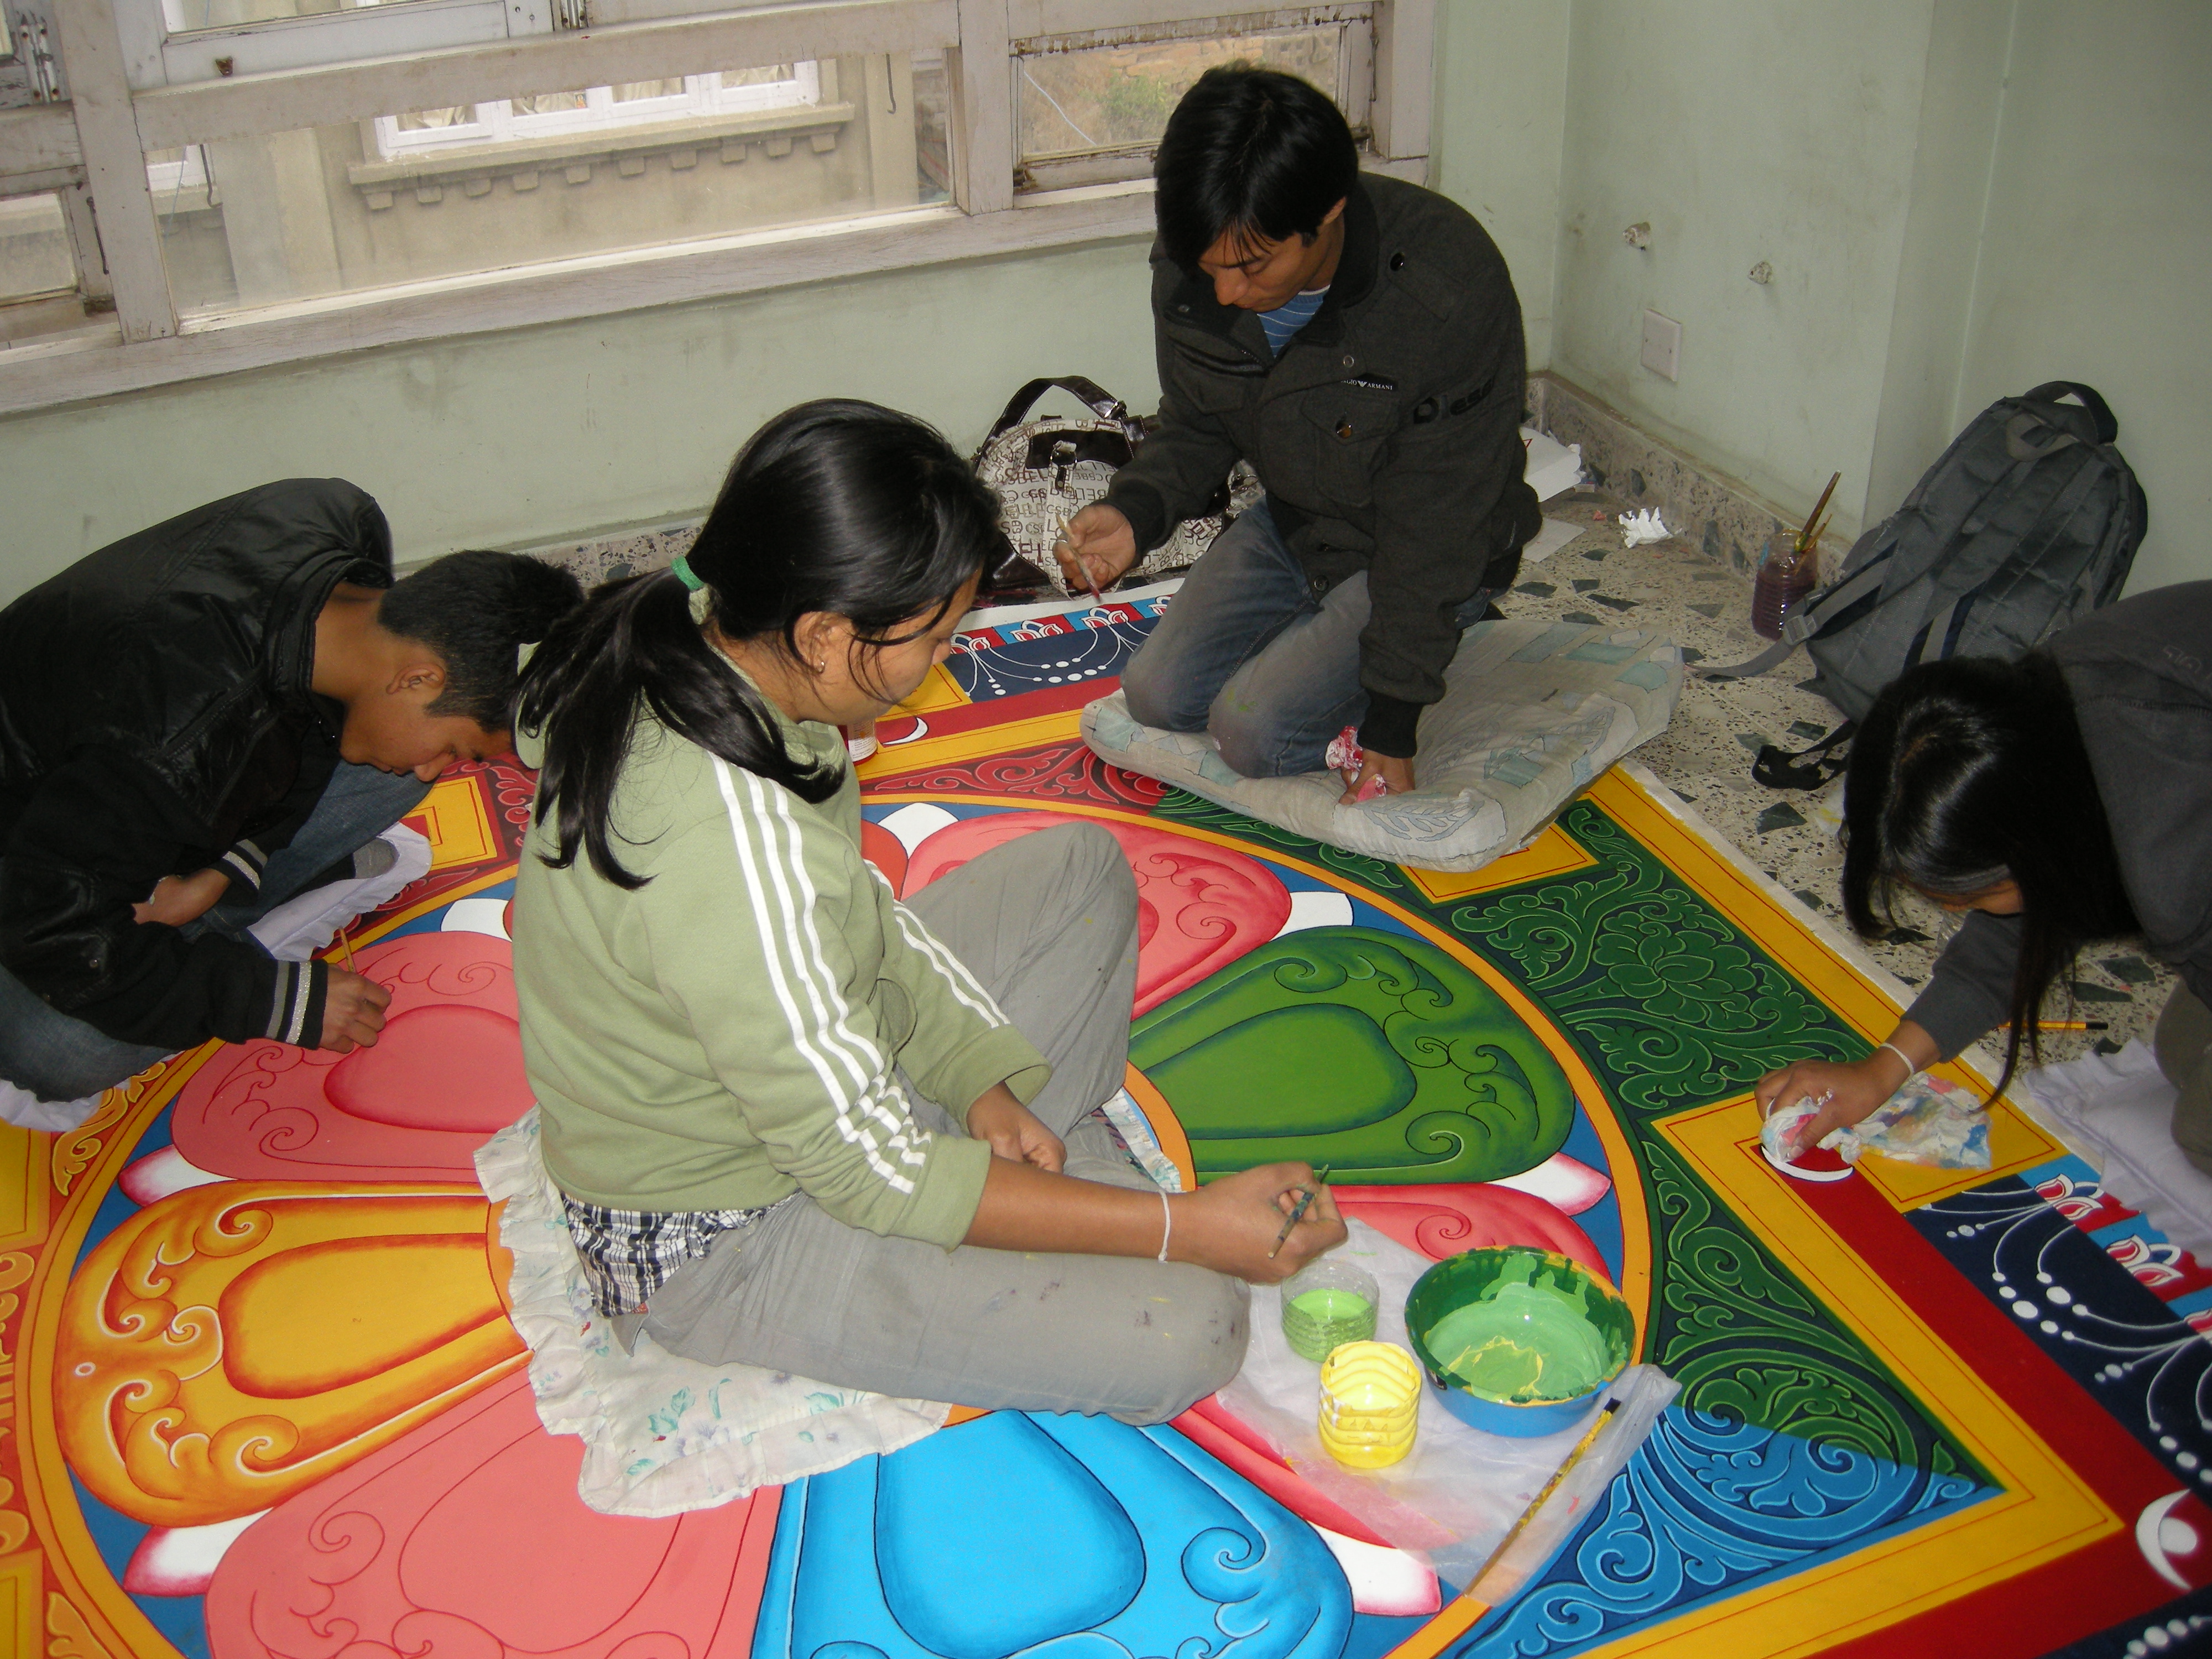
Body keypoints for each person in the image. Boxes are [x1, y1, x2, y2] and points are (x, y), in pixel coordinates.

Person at [512, 400, 1345, 1423]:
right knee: (1192, 1323)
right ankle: (1035, 1197)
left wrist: (976, 1078)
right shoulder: (722, 837)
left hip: (791, 1070)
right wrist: (1179, 1228)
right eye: (936, 637)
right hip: (726, 1230)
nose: (946, 660)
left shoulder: (705, 643)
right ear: (823, 634)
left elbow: (853, 912)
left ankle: (1011, 1176)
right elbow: (863, 1169)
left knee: (1082, 868)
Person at [0, 478, 582, 1125]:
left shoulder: (338, 526)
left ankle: (213, 906)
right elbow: (49, 932)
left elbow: (301, 718)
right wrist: (280, 1001)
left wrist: (221, 870)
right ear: (419, 676)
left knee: (390, 767)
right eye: (457, 747)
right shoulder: (176, 739)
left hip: (120, 804)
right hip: (30, 867)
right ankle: (221, 935)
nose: (437, 768)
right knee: (54, 1055)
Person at [1056, 65, 1541, 805]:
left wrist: (1394, 720)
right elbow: (1199, 416)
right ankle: (1333, 632)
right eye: (1207, 268)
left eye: (1252, 267)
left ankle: (1451, 626)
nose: (1225, 293)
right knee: (1156, 696)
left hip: (1421, 544)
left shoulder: (1446, 289)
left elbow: (1441, 519)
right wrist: (1136, 512)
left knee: (1255, 735)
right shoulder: (1203, 256)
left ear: (1330, 212)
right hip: (1299, 520)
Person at [1755, 582, 2212, 1168]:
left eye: (1973, 895)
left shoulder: (2175, 861)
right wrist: (1881, 1070)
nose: (1957, 914)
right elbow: (2026, 915)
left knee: (2200, 1136)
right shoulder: (2039, 720)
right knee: (2179, 1058)